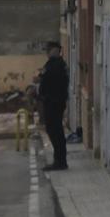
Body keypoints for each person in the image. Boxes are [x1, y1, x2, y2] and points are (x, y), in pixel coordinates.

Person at [35, 40, 69, 171]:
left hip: (54, 102)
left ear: (55, 50)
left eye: (49, 50)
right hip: (53, 101)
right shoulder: (56, 64)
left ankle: (60, 161)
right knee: (53, 130)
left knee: (55, 131)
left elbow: (46, 78)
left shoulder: (57, 64)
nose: (47, 53)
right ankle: (59, 160)